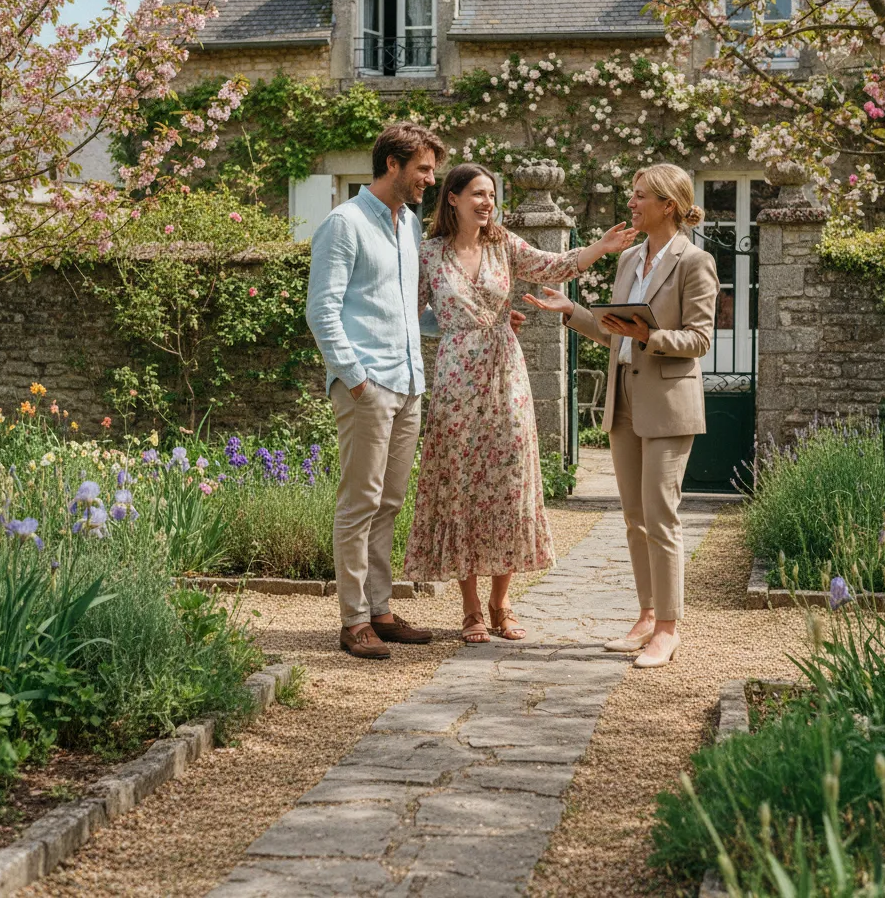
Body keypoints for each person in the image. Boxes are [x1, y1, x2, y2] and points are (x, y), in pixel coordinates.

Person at [305, 126, 526, 660]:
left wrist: (478, 318)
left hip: (409, 384)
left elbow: (412, 313)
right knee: (359, 503)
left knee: (388, 503)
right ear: (392, 165)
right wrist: (354, 377)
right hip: (368, 384)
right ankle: (354, 621)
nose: (431, 178)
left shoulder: (407, 226)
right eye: (424, 169)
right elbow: (322, 310)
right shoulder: (345, 223)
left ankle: (380, 610)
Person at [403, 162, 637, 644]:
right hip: (456, 379)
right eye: (478, 194)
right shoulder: (428, 254)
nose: (487, 203)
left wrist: (601, 247)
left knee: (509, 481)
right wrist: (454, 325)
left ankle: (501, 603)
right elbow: (411, 314)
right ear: (452, 198)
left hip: (506, 372)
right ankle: (470, 609)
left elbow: (553, 266)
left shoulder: (504, 245)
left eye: (492, 195)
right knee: (461, 485)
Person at [525, 163, 718, 668]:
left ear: (668, 205)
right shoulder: (630, 258)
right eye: (632, 195)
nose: (631, 203)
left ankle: (668, 630)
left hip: (669, 403)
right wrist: (572, 313)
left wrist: (649, 336)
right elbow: (615, 331)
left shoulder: (695, 262)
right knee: (634, 518)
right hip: (624, 398)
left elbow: (700, 339)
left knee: (660, 515)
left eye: (640, 196)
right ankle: (647, 616)